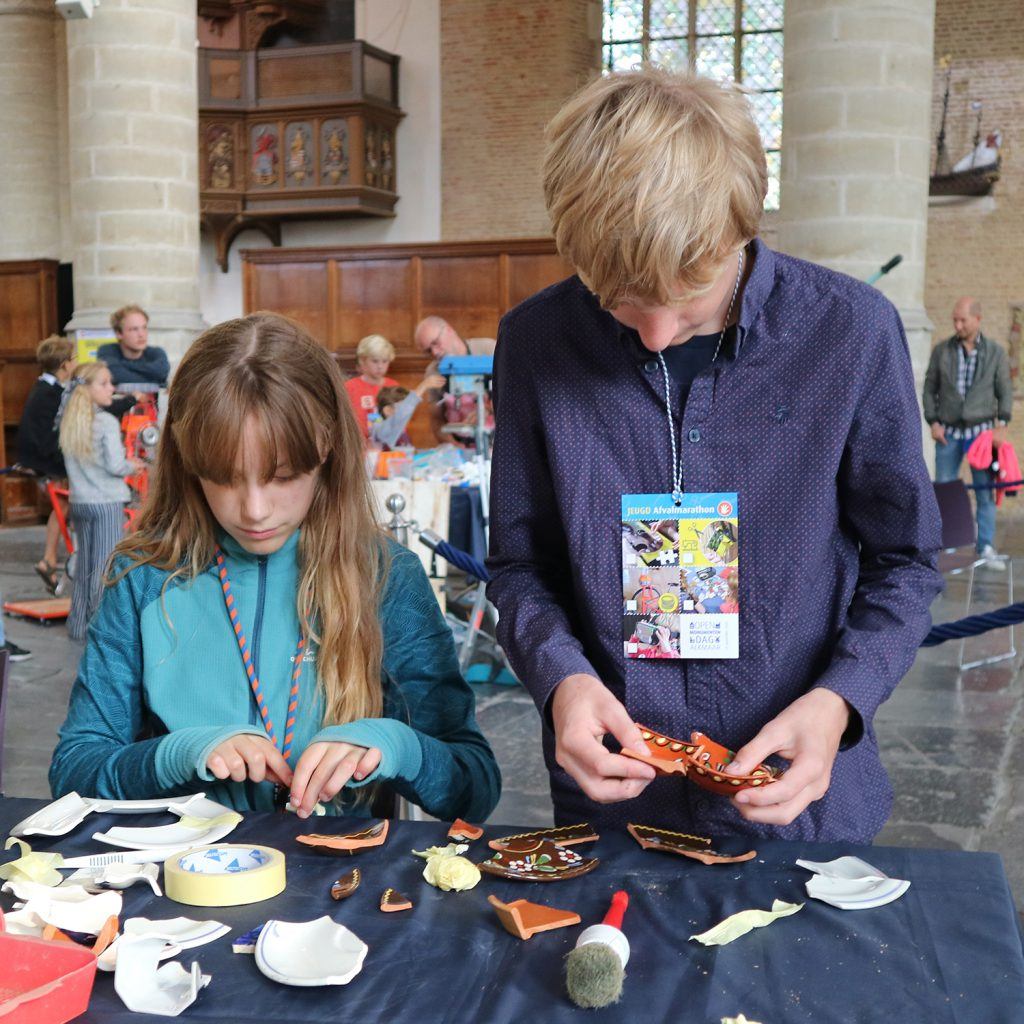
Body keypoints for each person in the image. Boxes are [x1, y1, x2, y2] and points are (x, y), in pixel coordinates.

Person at [487, 68, 942, 844]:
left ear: (742, 227)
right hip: (615, 804)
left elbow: (906, 562)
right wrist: (561, 680)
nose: (657, 335)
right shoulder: (535, 341)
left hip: (799, 806)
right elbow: (521, 566)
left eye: (688, 298)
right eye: (621, 304)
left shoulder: (851, 333)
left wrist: (839, 700)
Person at [50, 314, 501, 823]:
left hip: (339, 886)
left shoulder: (385, 576)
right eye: (223, 478)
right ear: (189, 463)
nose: (255, 510)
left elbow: (475, 786)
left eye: (283, 476)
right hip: (179, 888)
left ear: (326, 450)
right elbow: (73, 773)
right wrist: (175, 754)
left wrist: (396, 745)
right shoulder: (144, 576)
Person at [923, 296, 1012, 564]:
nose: (957, 325)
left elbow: (1004, 391)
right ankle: (946, 545)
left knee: (984, 492)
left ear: (977, 319)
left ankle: (985, 546)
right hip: (948, 433)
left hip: (982, 435)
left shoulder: (995, 353)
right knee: (944, 490)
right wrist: (933, 422)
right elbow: (929, 389)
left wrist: (1002, 425)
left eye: (962, 320)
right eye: (955, 320)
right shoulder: (942, 351)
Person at [58, 362, 138, 641]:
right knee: (103, 567)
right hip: (106, 502)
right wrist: (135, 465)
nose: (111, 389)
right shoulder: (105, 421)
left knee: (84, 565)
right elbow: (116, 466)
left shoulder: (69, 419)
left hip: (80, 501)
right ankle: (99, 629)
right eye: (104, 383)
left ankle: (78, 624)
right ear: (88, 388)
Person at [16, 334, 78, 593]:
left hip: (47, 457)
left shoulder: (51, 390)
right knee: (63, 504)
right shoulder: (47, 393)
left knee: (64, 507)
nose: (76, 363)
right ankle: (50, 559)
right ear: (64, 365)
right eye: (74, 360)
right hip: (45, 460)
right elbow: (42, 436)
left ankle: (52, 560)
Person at [413, 316, 496, 443]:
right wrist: (453, 447)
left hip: (497, 440)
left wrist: (489, 409)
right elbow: (437, 420)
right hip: (460, 443)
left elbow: (517, 393)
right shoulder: (434, 371)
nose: (435, 352)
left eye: (435, 342)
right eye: (428, 351)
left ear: (449, 330)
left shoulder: (489, 350)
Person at [97, 305, 170, 388]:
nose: (141, 334)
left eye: (144, 327)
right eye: (134, 329)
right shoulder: (107, 351)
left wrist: (125, 365)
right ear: (119, 333)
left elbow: (162, 372)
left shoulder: (157, 352)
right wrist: (156, 382)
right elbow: (116, 376)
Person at [369, 372, 446, 450]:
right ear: (388, 410)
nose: (407, 414)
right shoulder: (383, 431)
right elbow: (403, 413)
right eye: (402, 406)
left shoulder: (398, 429)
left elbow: (407, 451)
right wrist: (423, 386)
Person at [344, 334, 400, 439]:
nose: (380, 366)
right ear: (363, 360)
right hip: (358, 446)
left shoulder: (394, 387)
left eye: (385, 361)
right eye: (375, 361)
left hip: (387, 446)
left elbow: (400, 421)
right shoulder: (349, 387)